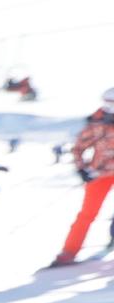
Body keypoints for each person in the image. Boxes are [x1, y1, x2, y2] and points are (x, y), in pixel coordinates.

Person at [49, 94, 114, 267]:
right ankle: (68, 252)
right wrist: (82, 169)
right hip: (99, 174)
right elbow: (78, 148)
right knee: (87, 214)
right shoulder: (96, 124)